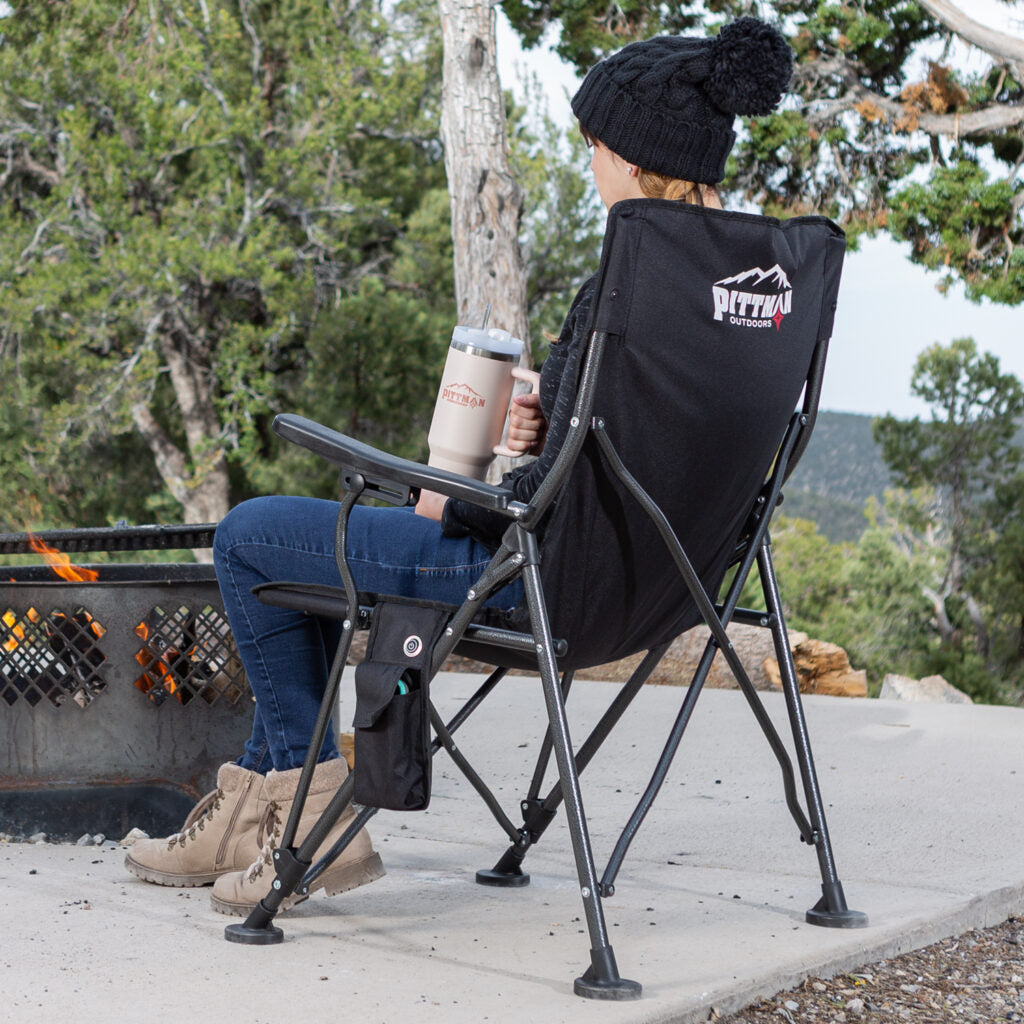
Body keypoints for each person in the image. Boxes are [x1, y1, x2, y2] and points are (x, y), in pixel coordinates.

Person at [125, 15, 793, 916]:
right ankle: (250, 816)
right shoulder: (750, 294)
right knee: (308, 570)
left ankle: (311, 817)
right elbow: (651, 453)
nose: (591, 166)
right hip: (660, 594)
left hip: (527, 578)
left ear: (634, 158)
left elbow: (542, 497)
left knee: (250, 537)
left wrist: (457, 497)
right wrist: (554, 427)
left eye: (594, 148)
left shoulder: (627, 283)